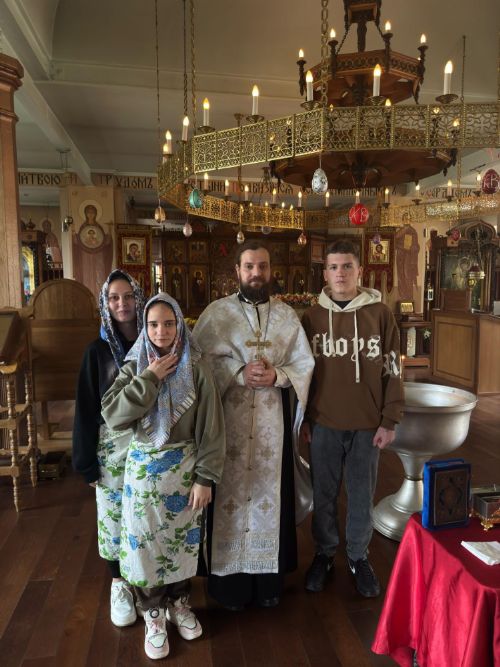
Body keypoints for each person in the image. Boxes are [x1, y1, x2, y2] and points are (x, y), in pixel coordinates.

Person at [101, 293, 225, 660]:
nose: (161, 331)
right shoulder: (134, 367)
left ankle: (179, 602)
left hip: (185, 472)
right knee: (145, 544)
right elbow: (113, 415)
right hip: (143, 472)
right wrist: (150, 379)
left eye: (169, 323)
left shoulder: (197, 369)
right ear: (144, 327)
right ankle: (153, 612)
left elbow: (212, 429)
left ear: (180, 326)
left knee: (181, 542)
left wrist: (205, 478)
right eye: (153, 324)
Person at [192, 240, 314, 610]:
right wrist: (236, 371)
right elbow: (198, 362)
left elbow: (304, 363)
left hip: (270, 428)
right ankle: (229, 588)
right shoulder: (217, 314)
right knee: (228, 497)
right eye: (249, 266)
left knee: (268, 497)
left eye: (262, 266)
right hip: (227, 424)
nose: (256, 273)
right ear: (238, 271)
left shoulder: (287, 317)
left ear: (270, 270)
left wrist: (278, 374)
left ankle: (268, 585)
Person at [301, 239, 403, 597]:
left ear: (360, 270)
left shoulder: (381, 314)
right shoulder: (312, 317)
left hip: (367, 424)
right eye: (333, 267)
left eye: (347, 266)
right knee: (324, 494)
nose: (340, 273)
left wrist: (390, 419)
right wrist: (304, 420)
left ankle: (359, 556)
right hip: (324, 423)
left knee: (361, 495)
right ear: (325, 274)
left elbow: (393, 368)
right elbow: (303, 374)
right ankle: (325, 554)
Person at [72, 270, 145, 628]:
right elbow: (86, 409)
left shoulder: (154, 341)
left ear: (139, 298)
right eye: (114, 298)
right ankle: (119, 584)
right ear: (105, 304)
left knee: (146, 514)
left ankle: (148, 583)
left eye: (128, 296)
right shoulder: (96, 351)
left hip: (149, 444)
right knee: (114, 516)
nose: (122, 304)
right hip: (111, 448)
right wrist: (86, 462)